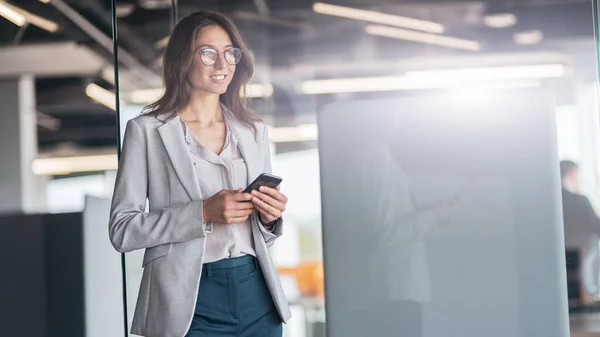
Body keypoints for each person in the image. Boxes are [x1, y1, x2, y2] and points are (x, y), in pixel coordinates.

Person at [108, 10, 291, 337]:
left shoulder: (254, 131)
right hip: (188, 301)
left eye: (229, 53)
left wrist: (270, 217)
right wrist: (202, 212)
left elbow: (262, 234)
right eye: (208, 53)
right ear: (181, 60)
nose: (222, 65)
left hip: (256, 292)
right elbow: (123, 230)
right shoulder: (147, 131)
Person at [561, 160, 600, 303]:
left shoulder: (547, 200)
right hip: (579, 256)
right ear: (572, 173)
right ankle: (589, 291)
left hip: (564, 256)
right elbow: (596, 226)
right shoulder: (578, 200)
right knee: (592, 241)